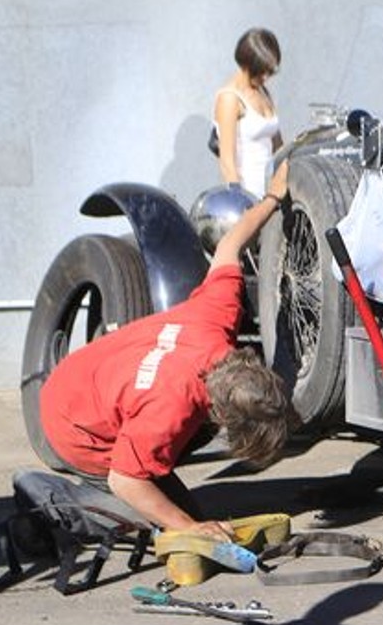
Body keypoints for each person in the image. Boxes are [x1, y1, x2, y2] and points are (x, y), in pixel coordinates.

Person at [37, 166, 296, 536]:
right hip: (71, 426)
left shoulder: (214, 320)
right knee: (158, 523)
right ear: (221, 415)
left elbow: (229, 246)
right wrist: (189, 528)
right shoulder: (171, 407)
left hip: (83, 377)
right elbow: (125, 480)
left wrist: (272, 199)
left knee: (185, 512)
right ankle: (52, 498)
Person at [213, 28, 284, 197]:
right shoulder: (230, 98)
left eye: (270, 71)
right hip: (248, 191)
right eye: (261, 70)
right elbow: (227, 159)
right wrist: (239, 198)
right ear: (247, 64)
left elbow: (277, 144)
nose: (266, 76)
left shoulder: (262, 91)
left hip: (272, 191)